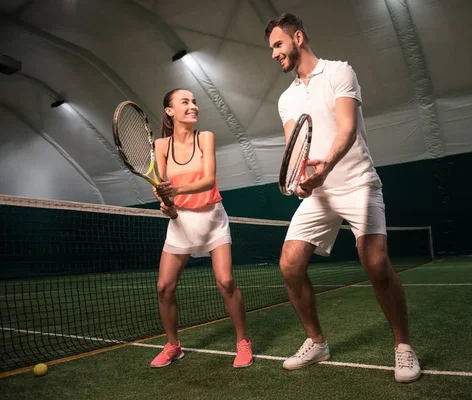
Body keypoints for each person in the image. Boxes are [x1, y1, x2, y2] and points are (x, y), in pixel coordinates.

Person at [265, 14, 421, 382]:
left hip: (357, 184)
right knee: (289, 264)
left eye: (277, 45)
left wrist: (326, 166)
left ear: (298, 37)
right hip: (319, 194)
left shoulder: (339, 72)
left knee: (376, 263)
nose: (273, 54)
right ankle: (316, 342)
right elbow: (295, 148)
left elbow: (347, 129)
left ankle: (403, 347)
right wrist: (302, 180)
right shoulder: (286, 99)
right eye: (271, 48)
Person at [149, 88, 253, 369]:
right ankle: (173, 346)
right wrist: (166, 204)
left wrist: (176, 189)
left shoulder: (205, 138)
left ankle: (243, 342)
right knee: (163, 287)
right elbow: (160, 188)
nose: (193, 106)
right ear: (170, 111)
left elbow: (208, 181)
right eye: (185, 102)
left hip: (211, 219)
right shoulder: (161, 146)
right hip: (180, 222)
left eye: (194, 102)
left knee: (226, 282)